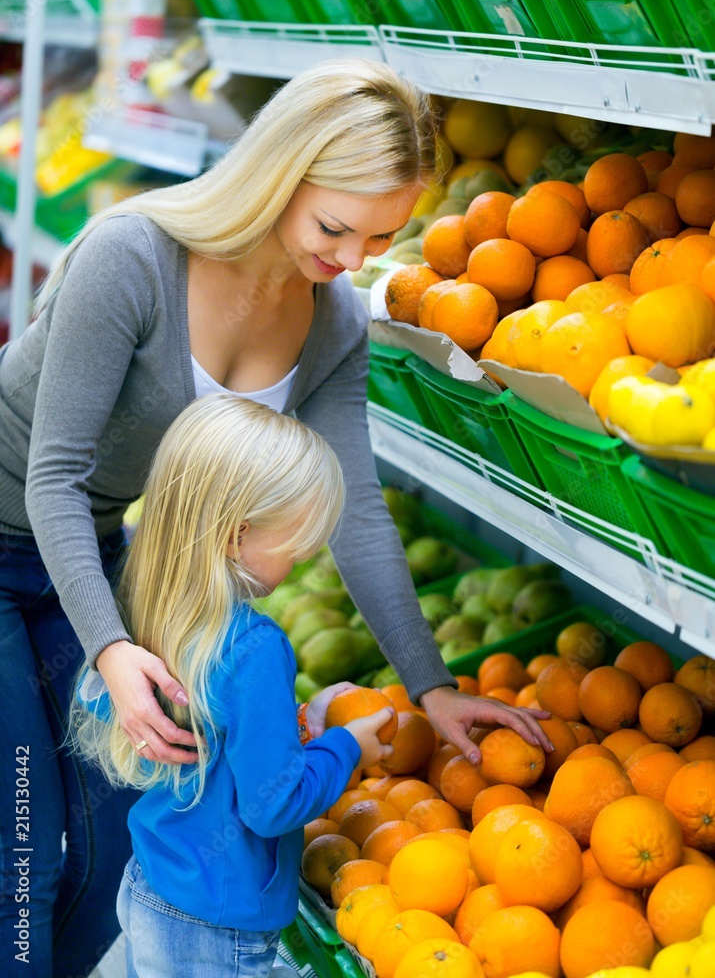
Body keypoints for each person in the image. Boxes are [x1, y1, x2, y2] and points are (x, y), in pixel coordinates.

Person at [0, 57, 552, 976]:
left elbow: (359, 507)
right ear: (280, 173)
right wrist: (111, 647)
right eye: (335, 226)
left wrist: (430, 684)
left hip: (88, 548)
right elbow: (51, 475)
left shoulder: (332, 320)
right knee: (24, 846)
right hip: (22, 513)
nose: (350, 261)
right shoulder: (131, 258)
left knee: (109, 840)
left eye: (380, 238)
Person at [71, 393, 394, 977]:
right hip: (219, 925)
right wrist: (347, 747)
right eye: (296, 546)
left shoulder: (151, 609)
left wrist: (296, 718)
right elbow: (273, 807)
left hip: (153, 884)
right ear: (236, 533)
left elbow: (194, 728)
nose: (303, 559)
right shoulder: (256, 648)